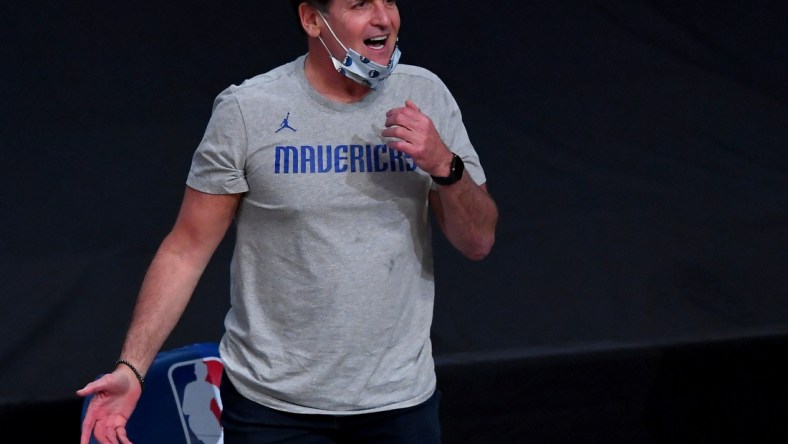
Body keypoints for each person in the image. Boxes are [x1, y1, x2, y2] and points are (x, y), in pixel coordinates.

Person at [77, 1, 498, 442]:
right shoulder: (248, 110)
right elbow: (185, 250)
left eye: (388, 0)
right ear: (312, 19)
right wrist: (132, 369)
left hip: (401, 406)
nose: (383, 18)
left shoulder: (426, 94)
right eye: (359, 4)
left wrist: (444, 165)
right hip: (273, 410)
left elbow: (479, 242)